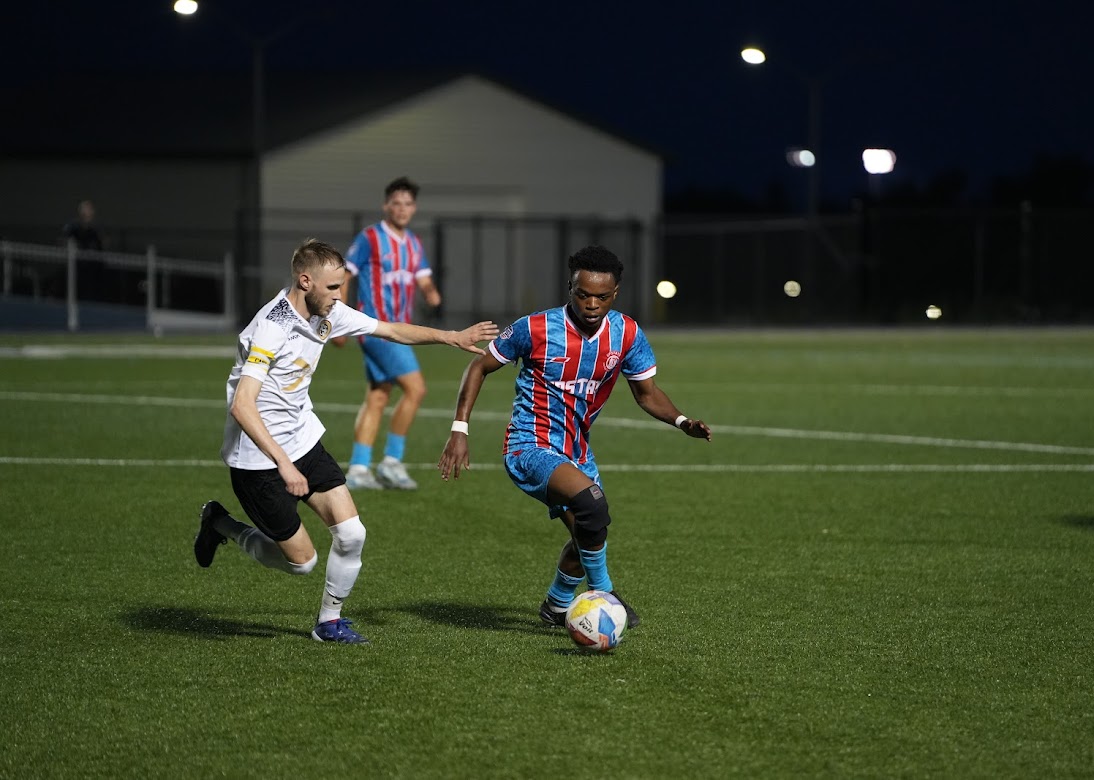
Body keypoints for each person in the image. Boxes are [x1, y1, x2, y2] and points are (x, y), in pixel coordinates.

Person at [194, 238, 497, 644]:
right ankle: (220, 523)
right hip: (259, 459)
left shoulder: (327, 312)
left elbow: (388, 329)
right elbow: (243, 406)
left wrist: (449, 336)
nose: (340, 296)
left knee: (353, 534)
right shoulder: (272, 327)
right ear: (305, 281)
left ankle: (328, 623)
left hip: (303, 441)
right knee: (302, 563)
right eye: (333, 287)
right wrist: (284, 464)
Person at [438, 245, 712, 629]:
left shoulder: (626, 333)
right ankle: (606, 594)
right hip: (529, 445)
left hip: (576, 450)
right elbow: (479, 366)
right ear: (570, 288)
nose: (592, 303)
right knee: (592, 507)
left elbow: (647, 393)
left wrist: (683, 421)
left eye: (602, 296)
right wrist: (459, 430)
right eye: (583, 294)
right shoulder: (535, 328)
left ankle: (557, 603)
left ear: (615, 294)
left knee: (590, 532)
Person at [339, 177, 441, 491]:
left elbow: (422, 278)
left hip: (398, 328)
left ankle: (358, 468)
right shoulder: (370, 237)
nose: (402, 209)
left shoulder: (412, 243)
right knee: (416, 389)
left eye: (408, 203)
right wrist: (338, 317)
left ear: (414, 208)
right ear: (386, 205)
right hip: (377, 329)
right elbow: (345, 275)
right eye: (396, 202)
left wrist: (431, 293)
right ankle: (392, 462)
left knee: (378, 396)